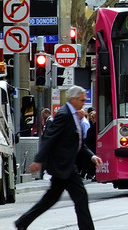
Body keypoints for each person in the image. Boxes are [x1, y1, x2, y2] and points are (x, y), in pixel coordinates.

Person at [15, 85, 103, 230]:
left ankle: (22, 222)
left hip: (64, 167)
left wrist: (92, 156)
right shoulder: (64, 114)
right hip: (63, 166)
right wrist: (38, 159)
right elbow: (50, 137)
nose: (83, 103)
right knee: (80, 198)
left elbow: (78, 142)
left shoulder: (73, 114)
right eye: (81, 100)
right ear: (73, 99)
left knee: (50, 199)